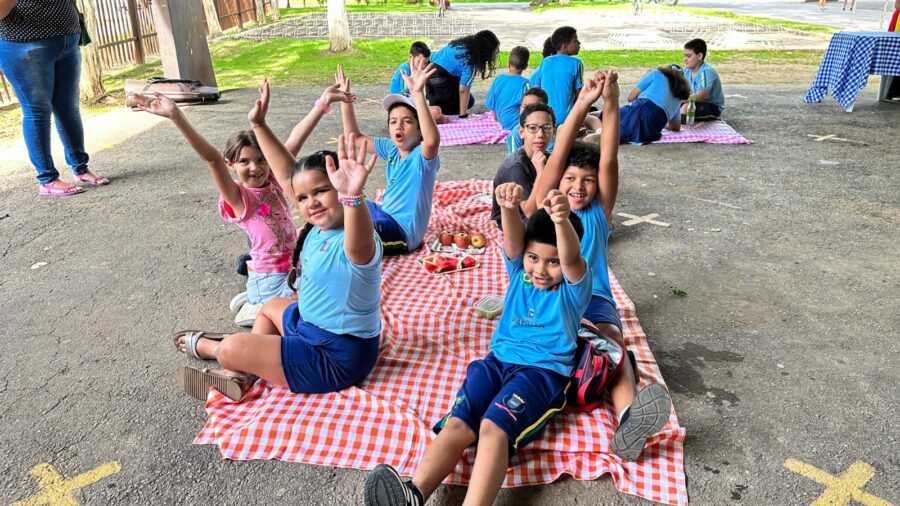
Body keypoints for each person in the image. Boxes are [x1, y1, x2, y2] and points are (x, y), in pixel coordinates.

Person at [364, 186, 592, 506]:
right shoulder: (520, 273)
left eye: (552, 262)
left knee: (492, 428)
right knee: (458, 422)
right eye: (534, 257)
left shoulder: (573, 287)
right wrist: (508, 208)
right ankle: (412, 492)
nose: (540, 269)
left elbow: (570, 258)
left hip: (542, 373)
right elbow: (513, 241)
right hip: (496, 362)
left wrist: (562, 219)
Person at [171, 132, 383, 401]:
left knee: (231, 348)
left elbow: (360, 243)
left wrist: (353, 196)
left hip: (335, 357)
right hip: (310, 329)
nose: (312, 202)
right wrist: (258, 124)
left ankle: (222, 352)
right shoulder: (319, 229)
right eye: (303, 198)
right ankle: (247, 372)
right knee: (270, 307)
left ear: (341, 191)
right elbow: (285, 173)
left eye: (322, 191)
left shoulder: (355, 242)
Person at [529, 70, 673, 462]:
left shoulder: (598, 212)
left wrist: (610, 101)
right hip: (554, 300)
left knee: (616, 348)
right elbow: (557, 159)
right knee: (559, 354)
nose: (578, 186)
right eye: (571, 178)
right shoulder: (549, 204)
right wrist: (581, 104)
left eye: (588, 180)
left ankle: (629, 419)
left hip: (594, 301)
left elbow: (608, 155)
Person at [0, 0, 108, 196]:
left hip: (68, 39)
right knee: (37, 112)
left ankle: (81, 168)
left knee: (68, 109)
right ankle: (47, 179)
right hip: (25, 43)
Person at [340, 60, 441, 255]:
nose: (398, 127)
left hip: (401, 232)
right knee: (338, 203)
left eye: (407, 121)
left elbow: (431, 141)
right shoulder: (392, 149)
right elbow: (355, 138)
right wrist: (346, 102)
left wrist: (418, 93)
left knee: (350, 232)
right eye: (393, 122)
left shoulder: (422, 157)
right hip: (382, 213)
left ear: (420, 130)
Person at [491, 102, 555, 228]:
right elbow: (530, 212)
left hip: (539, 208)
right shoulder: (515, 166)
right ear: (521, 132)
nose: (540, 134)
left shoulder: (546, 156)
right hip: (515, 219)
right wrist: (541, 173)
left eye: (546, 127)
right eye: (532, 128)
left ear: (553, 131)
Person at [426, 30, 500, 117]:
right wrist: (463, 115)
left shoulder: (462, 42)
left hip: (428, 69)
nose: (495, 54)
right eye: (494, 51)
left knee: (436, 105)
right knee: (468, 102)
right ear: (485, 51)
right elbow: (463, 90)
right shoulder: (470, 63)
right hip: (439, 77)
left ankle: (431, 114)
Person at [620, 65, 691, 144]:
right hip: (651, 131)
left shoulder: (656, 74)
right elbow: (675, 127)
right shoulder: (680, 96)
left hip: (640, 110)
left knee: (609, 115)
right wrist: (663, 123)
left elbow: (630, 97)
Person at [529, 26, 584, 127]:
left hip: (546, 118)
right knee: (591, 118)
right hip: (567, 119)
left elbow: (536, 90)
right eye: (575, 41)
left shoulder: (545, 62)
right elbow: (580, 96)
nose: (579, 43)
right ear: (565, 47)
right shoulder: (576, 63)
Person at [486, 46, 531, 138]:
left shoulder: (498, 79)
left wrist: (496, 118)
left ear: (509, 63)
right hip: (515, 125)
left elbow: (490, 104)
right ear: (525, 66)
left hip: (501, 121)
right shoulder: (526, 84)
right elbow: (531, 107)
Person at [680, 39, 725, 121]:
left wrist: (680, 99)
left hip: (711, 106)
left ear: (699, 56)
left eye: (688, 56)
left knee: (685, 108)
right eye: (684, 56)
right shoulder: (686, 70)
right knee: (671, 105)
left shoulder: (706, 72)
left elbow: (700, 96)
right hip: (693, 102)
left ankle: (680, 126)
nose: (685, 59)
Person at [506, 86, 550, 155]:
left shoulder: (551, 130)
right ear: (520, 109)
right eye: (525, 107)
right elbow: (513, 161)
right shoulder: (515, 134)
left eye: (534, 107)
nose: (528, 111)